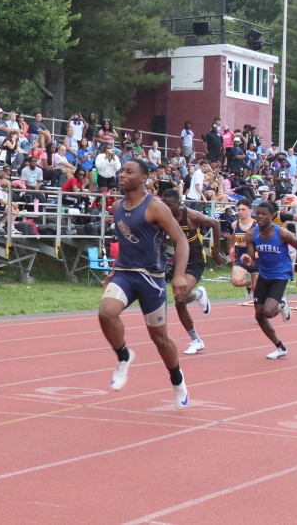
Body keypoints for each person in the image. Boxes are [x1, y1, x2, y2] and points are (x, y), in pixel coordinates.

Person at [96, 159, 193, 410]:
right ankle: (123, 356)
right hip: (125, 274)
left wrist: (179, 275)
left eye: (129, 172)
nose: (122, 175)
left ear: (143, 178)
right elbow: (129, 242)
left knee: (160, 339)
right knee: (106, 312)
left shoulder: (156, 207)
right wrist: (114, 270)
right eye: (121, 171)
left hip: (152, 279)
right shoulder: (117, 206)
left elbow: (181, 240)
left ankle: (177, 380)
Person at [161, 189, 226, 355]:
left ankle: (198, 295)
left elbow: (215, 224)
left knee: (180, 298)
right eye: (165, 205)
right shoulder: (162, 216)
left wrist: (215, 251)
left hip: (196, 260)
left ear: (179, 203)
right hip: (180, 262)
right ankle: (196, 339)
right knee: (179, 301)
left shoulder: (190, 215)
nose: (168, 209)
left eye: (171, 206)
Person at [240, 201, 297, 360]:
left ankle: (282, 304)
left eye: (264, 214)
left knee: (268, 312)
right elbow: (252, 261)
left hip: (280, 275)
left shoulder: (282, 233)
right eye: (258, 213)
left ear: (272, 216)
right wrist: (248, 261)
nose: (260, 217)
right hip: (264, 274)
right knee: (259, 315)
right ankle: (280, 347)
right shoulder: (251, 235)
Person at [229, 199, 258, 302]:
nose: (240, 212)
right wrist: (231, 248)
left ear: (250, 210)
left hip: (256, 258)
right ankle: (249, 284)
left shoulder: (257, 225)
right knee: (235, 281)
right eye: (239, 209)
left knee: (257, 293)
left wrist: (258, 253)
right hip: (242, 256)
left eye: (243, 209)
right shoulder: (235, 224)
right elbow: (234, 235)